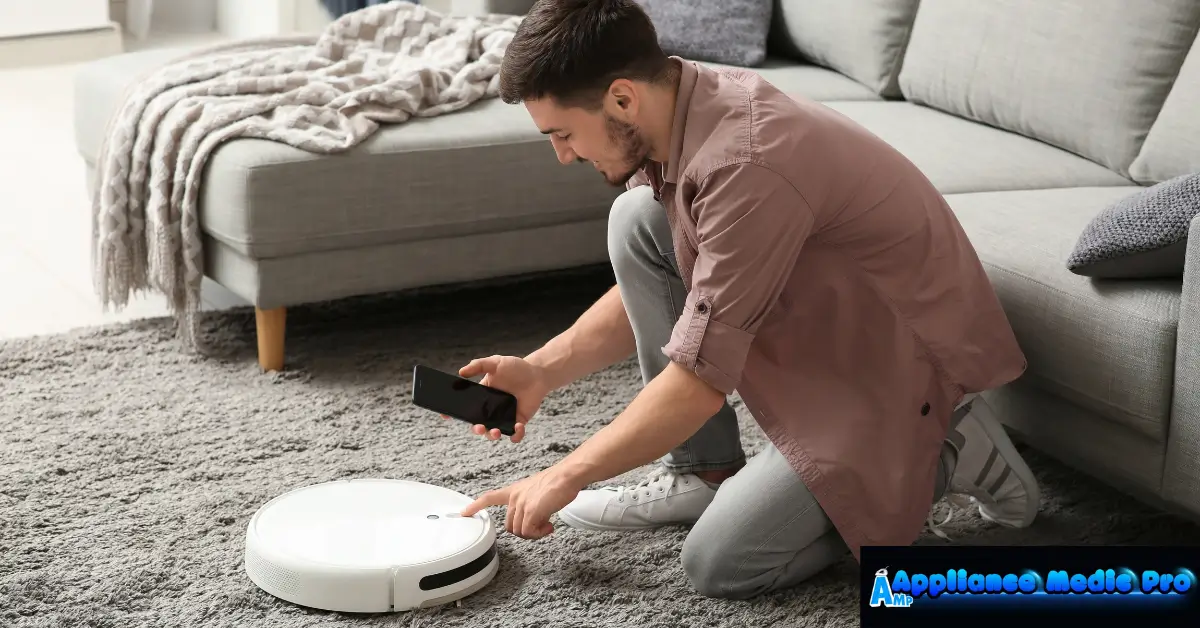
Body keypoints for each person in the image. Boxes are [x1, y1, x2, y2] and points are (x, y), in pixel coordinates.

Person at [454, 0, 1040, 599]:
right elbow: (683, 265)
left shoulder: (744, 162)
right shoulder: (680, 105)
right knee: (637, 217)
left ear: (622, 99)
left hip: (896, 363)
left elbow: (698, 379)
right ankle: (702, 470)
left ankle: (943, 452)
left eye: (562, 133)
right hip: (832, 316)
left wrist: (564, 474)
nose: (564, 155)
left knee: (722, 563)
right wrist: (541, 370)